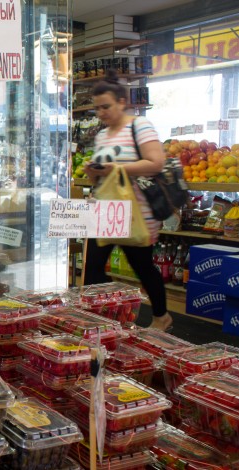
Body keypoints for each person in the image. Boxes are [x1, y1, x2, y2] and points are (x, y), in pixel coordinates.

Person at [82, 69, 173, 332]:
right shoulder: (101, 135)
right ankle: (108, 318)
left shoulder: (139, 126)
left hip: (136, 212)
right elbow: (102, 177)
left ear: (122, 102)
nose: (101, 113)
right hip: (106, 211)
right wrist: (94, 172)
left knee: (142, 267)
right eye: (97, 108)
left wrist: (117, 168)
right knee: (92, 268)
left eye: (106, 107)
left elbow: (156, 162)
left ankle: (161, 317)